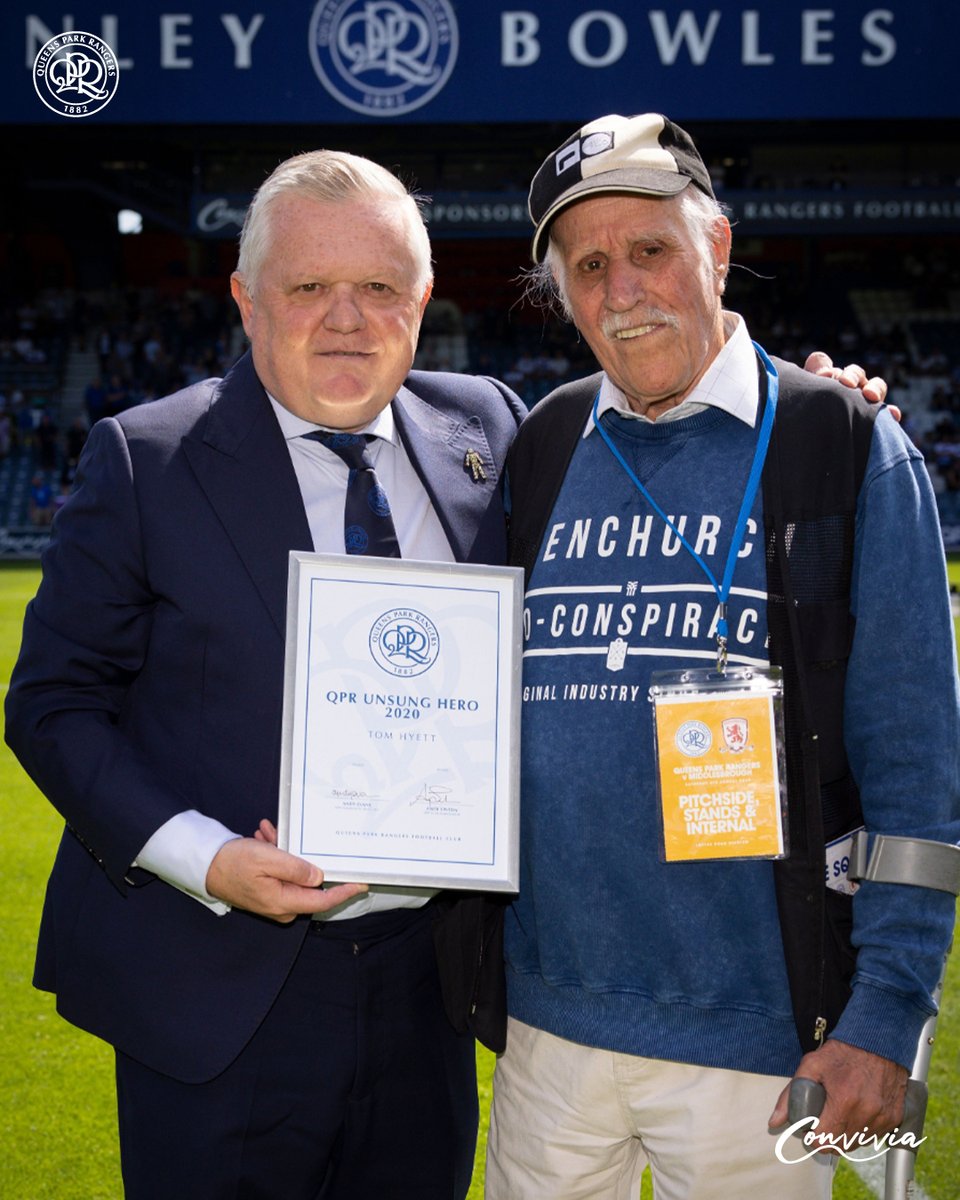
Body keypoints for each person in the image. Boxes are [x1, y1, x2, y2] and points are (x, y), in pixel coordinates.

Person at [4, 150, 524, 1200]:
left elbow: (650, 447)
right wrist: (206, 859)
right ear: (247, 299)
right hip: (217, 986)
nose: (345, 317)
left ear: (422, 301)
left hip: (429, 985)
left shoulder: (492, 429)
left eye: (378, 286)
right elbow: (55, 705)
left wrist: (817, 404)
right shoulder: (146, 459)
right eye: (308, 286)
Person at [488, 113, 960, 1199]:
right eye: (588, 264)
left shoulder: (841, 443)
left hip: (765, 1047)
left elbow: (917, 774)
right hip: (546, 1033)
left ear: (717, 244)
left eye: (648, 249)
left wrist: (886, 1015)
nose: (620, 291)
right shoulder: (544, 443)